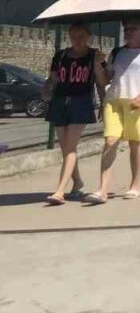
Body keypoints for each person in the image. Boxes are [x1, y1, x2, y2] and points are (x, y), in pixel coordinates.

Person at [84, 18, 140, 204]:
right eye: (125, 29)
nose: (127, 32)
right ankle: (102, 190)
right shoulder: (117, 52)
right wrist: (98, 64)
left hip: (138, 102)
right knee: (110, 141)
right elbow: (105, 80)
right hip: (114, 101)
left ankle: (134, 185)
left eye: (132, 29)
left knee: (135, 143)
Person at [40, 20, 107, 204]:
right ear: (69, 36)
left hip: (82, 102)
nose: (77, 40)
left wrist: (103, 103)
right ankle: (77, 183)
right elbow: (53, 78)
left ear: (88, 37)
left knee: (70, 146)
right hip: (60, 102)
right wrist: (46, 89)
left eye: (82, 36)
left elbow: (101, 82)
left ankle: (59, 191)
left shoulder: (94, 55)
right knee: (65, 148)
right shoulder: (60, 56)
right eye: (74, 36)